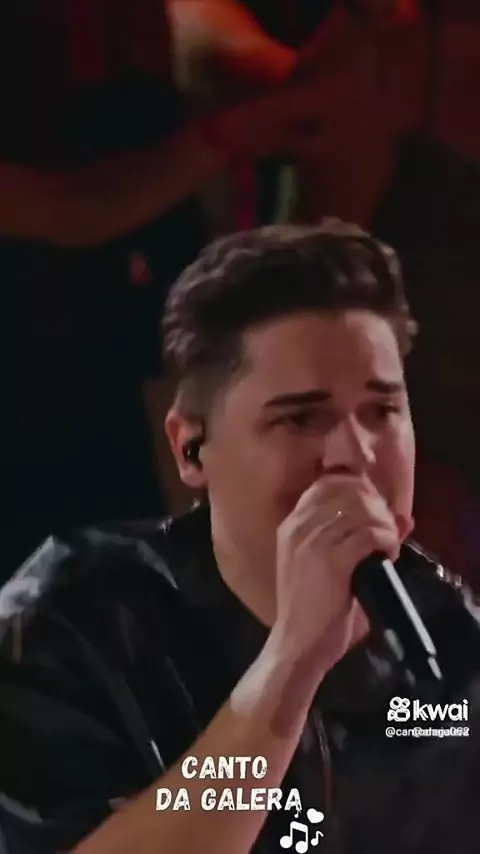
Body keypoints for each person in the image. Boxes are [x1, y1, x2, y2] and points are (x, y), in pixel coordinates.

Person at [1, 220, 480, 854]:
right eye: (300, 418)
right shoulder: (72, 623)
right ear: (191, 448)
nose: (354, 454)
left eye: (381, 411)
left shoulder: (452, 641)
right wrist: (293, 662)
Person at [4, 0, 370, 578]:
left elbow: (221, 42)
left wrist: (321, 81)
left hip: (95, 377)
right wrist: (249, 127)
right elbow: (71, 209)